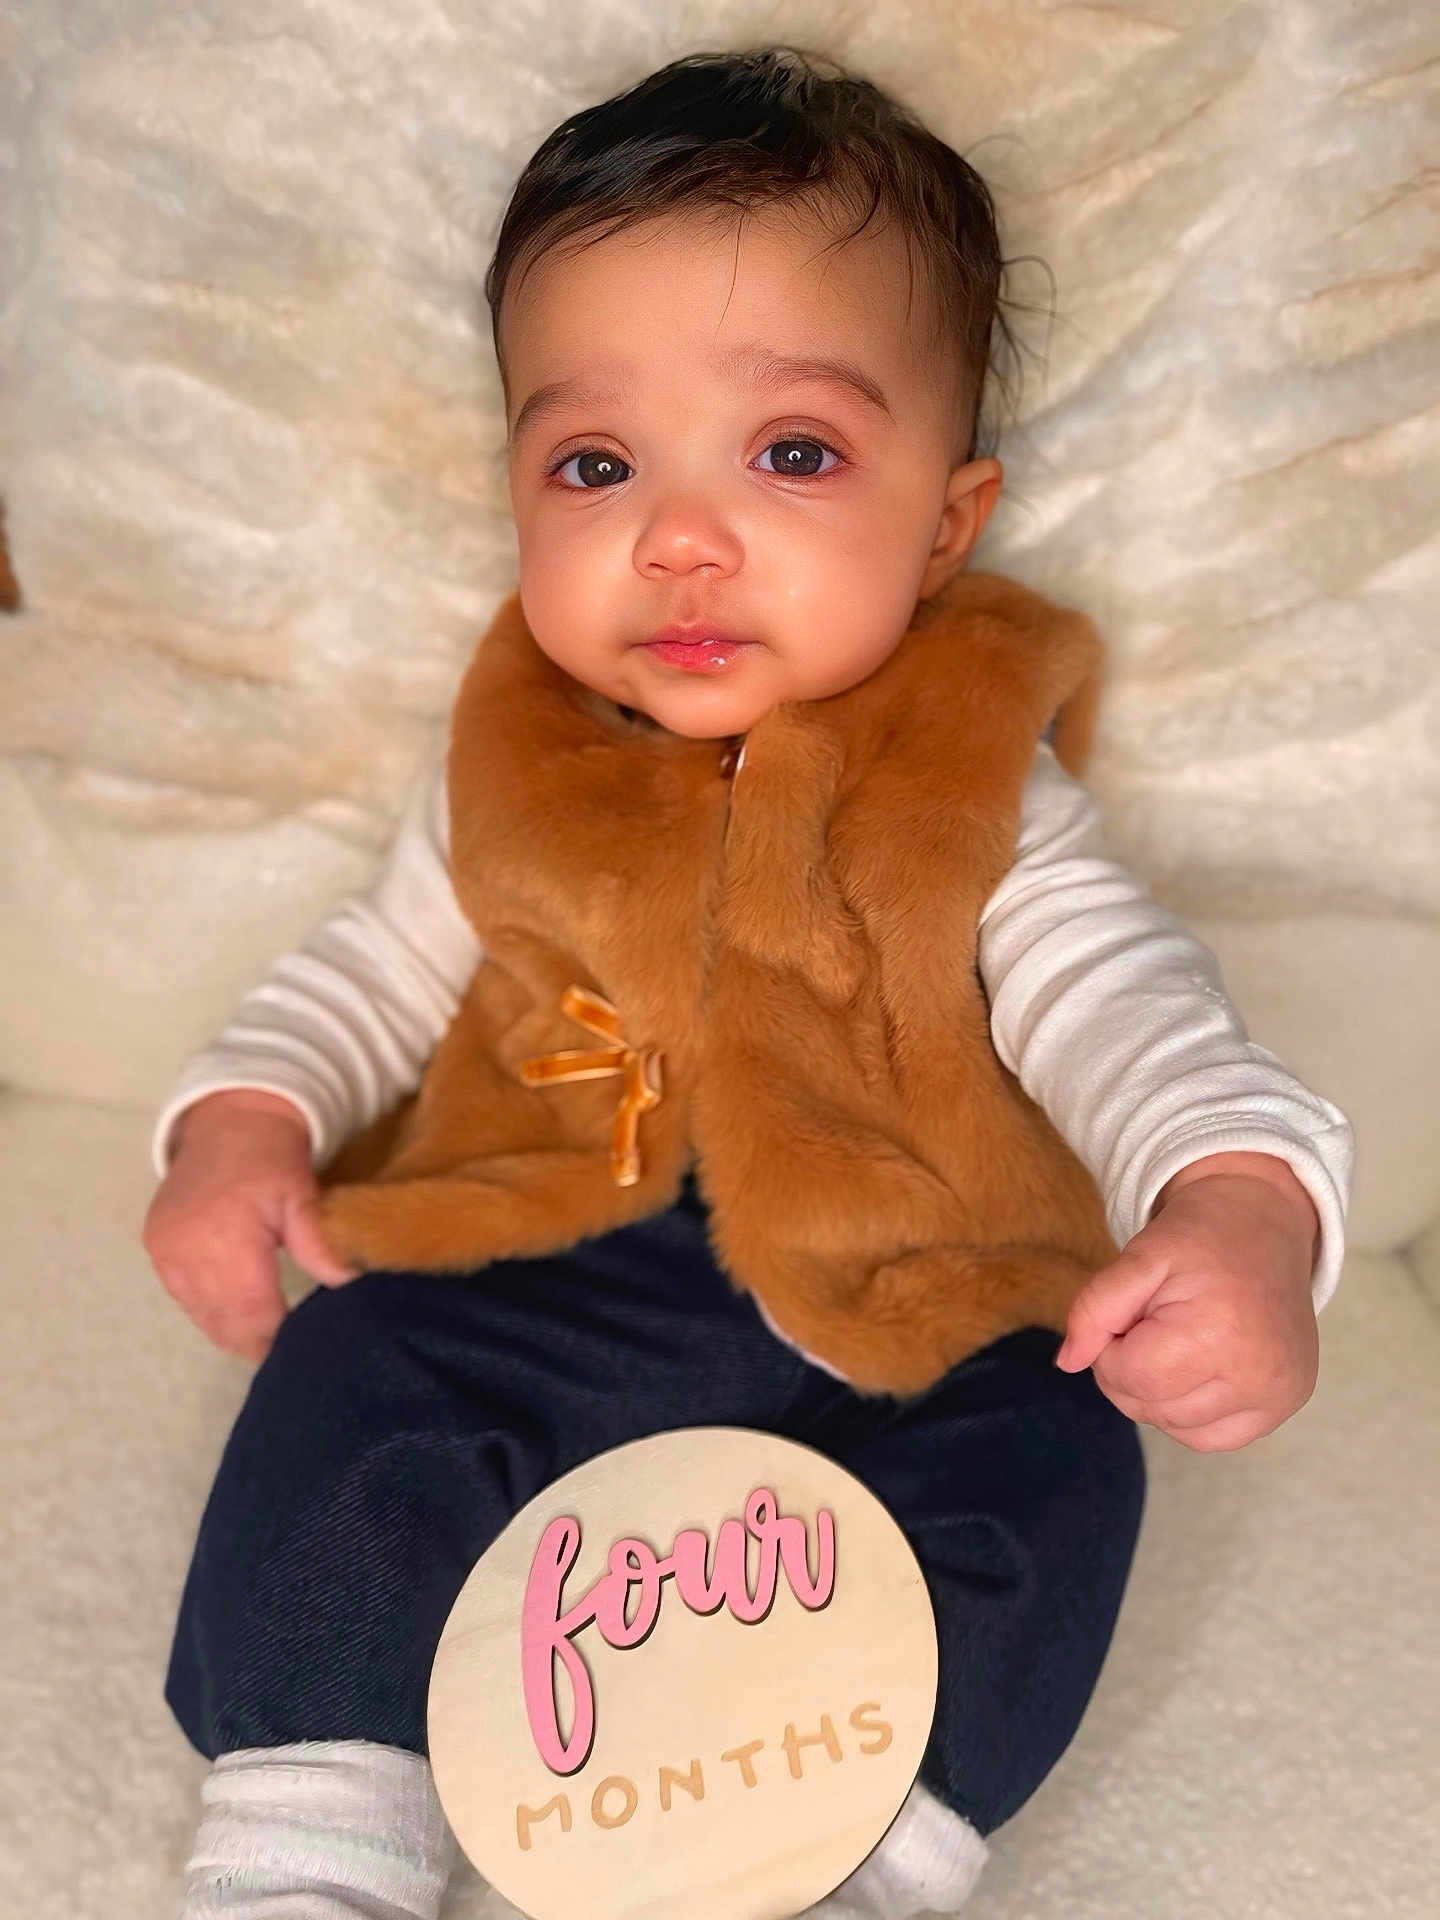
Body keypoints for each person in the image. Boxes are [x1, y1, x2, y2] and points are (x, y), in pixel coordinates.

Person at [143, 45, 1354, 1920]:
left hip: (905, 1299)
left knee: (1060, 1452)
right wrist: (241, 1123)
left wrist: (1241, 1200)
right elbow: (375, 969)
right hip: (552, 1279)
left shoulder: (965, 769)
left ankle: (861, 1850)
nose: (678, 535)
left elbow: (1125, 1003)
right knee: (355, 1371)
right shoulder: (510, 752)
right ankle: (316, 1815)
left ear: (946, 524)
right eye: (594, 463)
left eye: (793, 455)